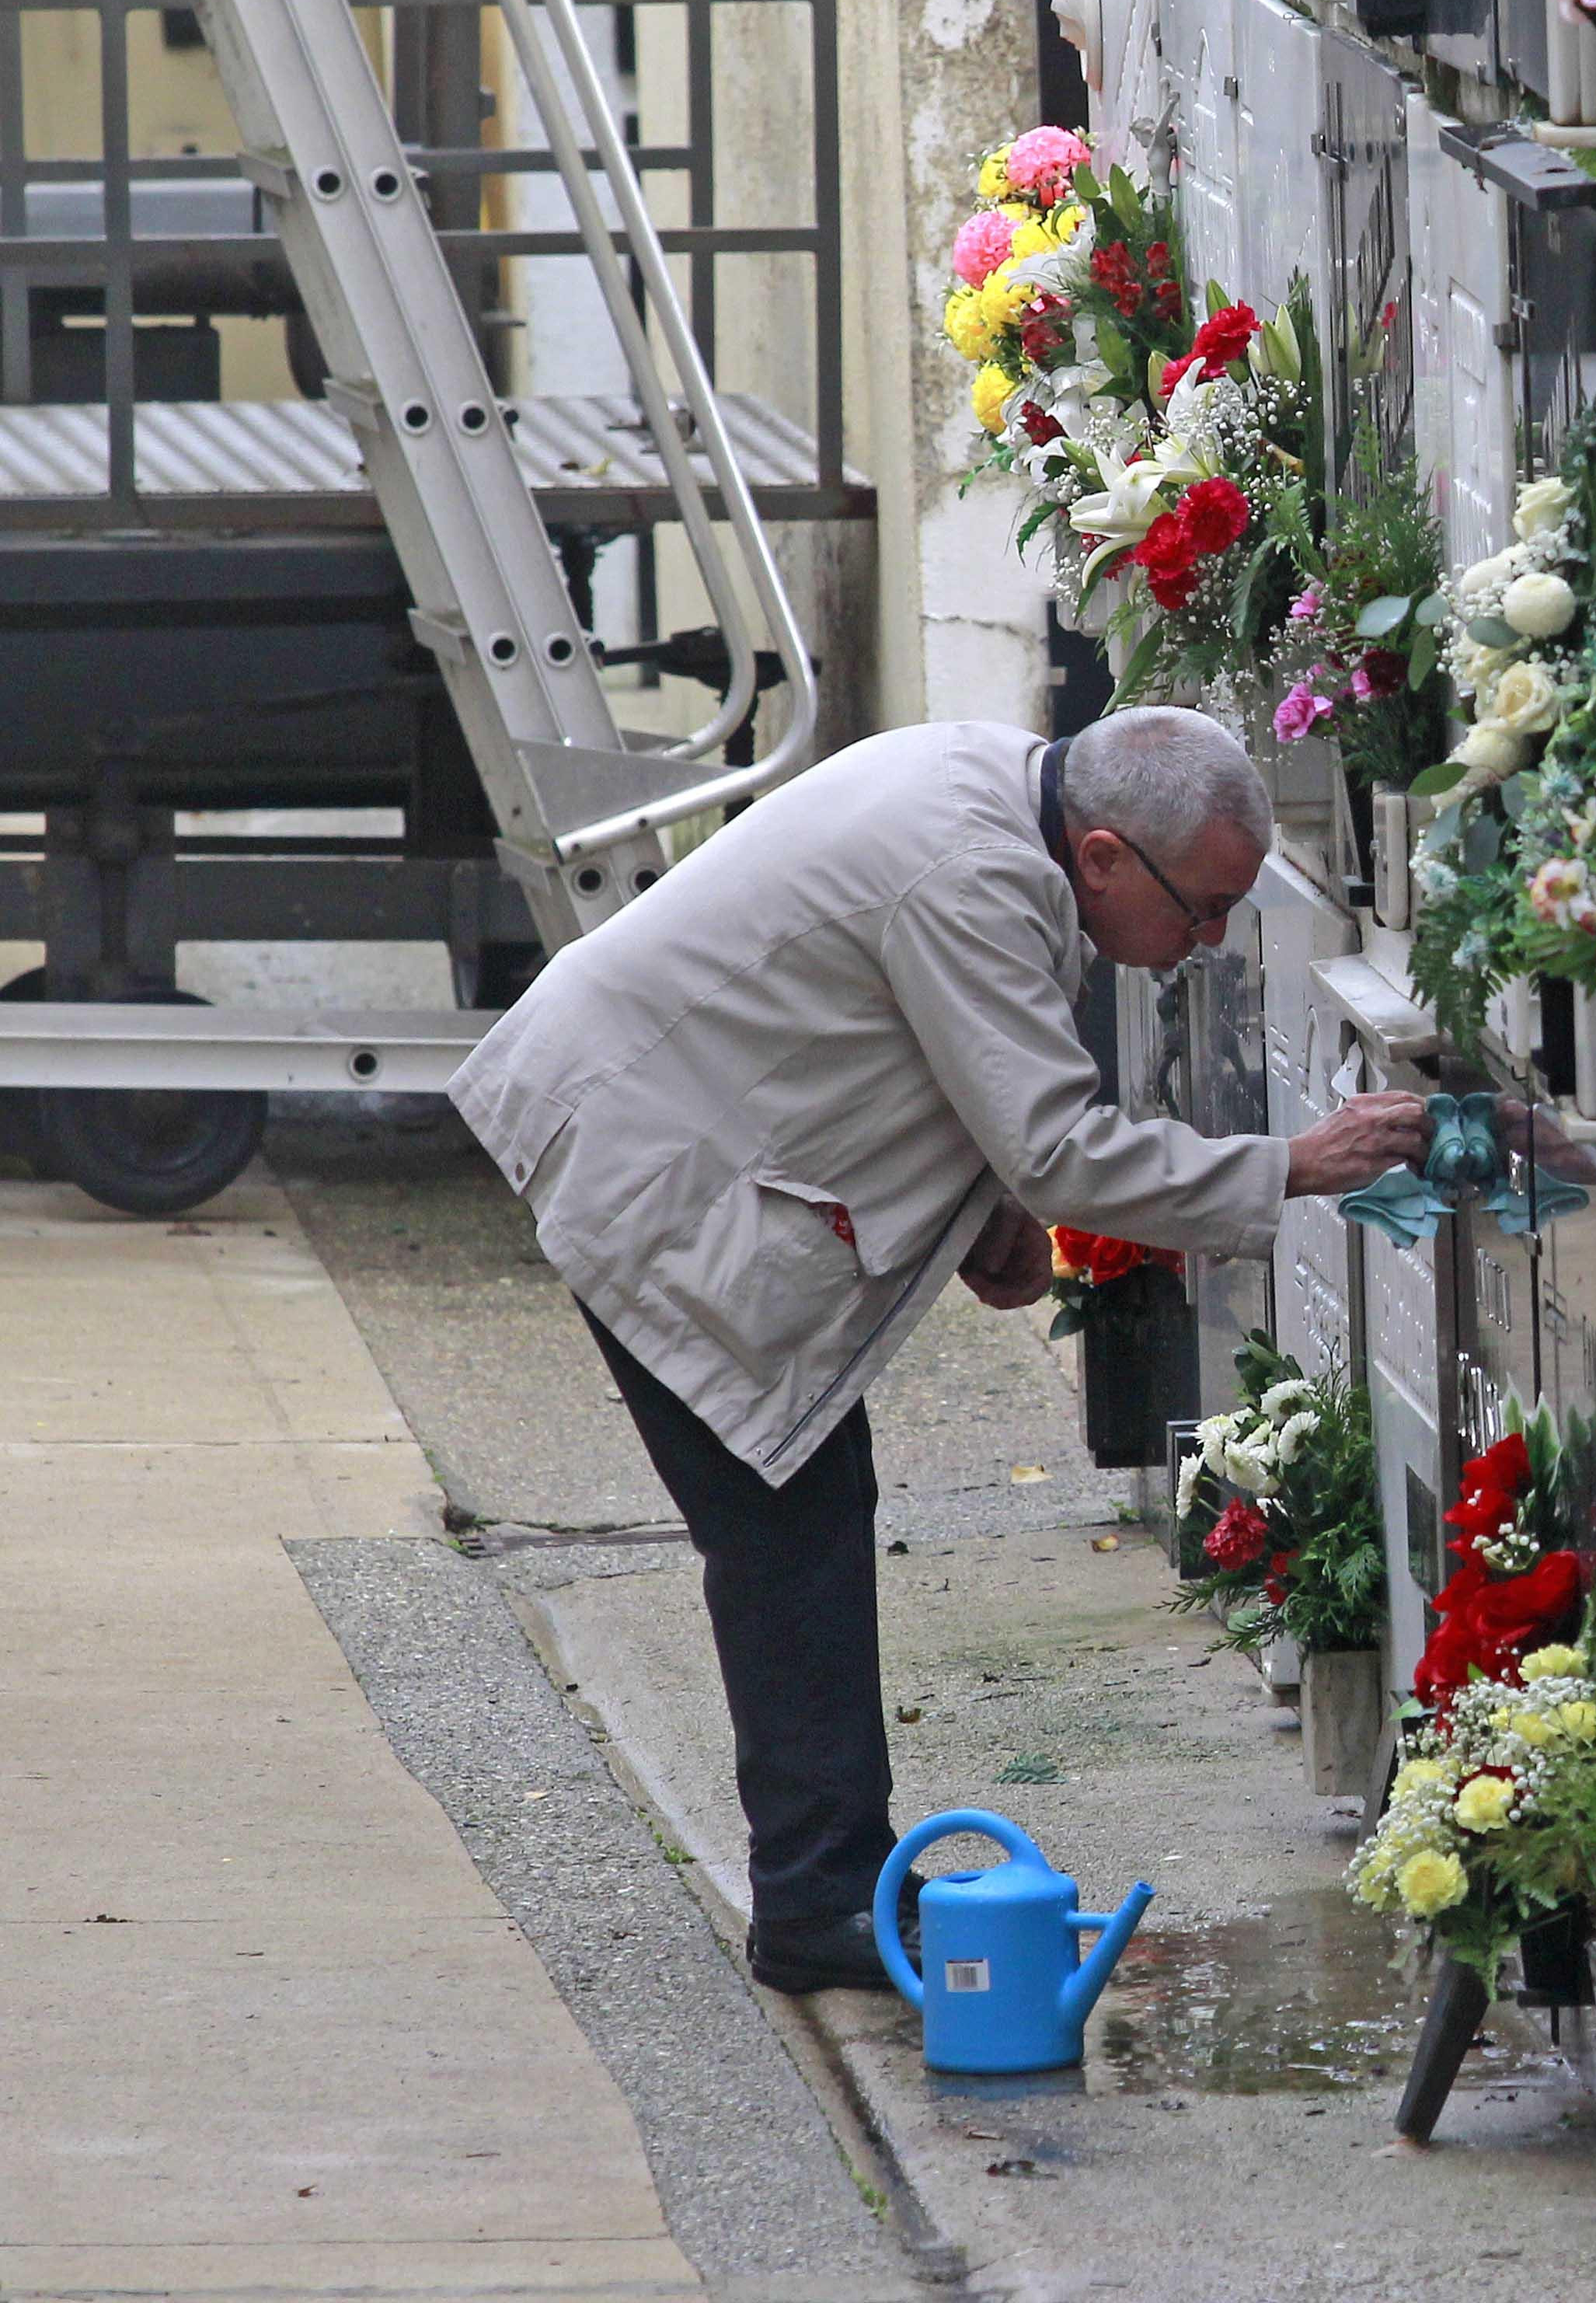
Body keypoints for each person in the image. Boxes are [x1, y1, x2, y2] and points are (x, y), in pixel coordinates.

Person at [450, 708, 1425, 1991]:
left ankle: (832, 1883)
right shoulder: (972, 872)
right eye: (1203, 911)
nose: (1208, 947)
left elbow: (944, 1050)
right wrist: (1293, 1166)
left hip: (653, 1110)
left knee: (802, 1512)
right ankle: (816, 1906)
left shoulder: (994, 789)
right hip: (648, 1150)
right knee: (786, 1529)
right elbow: (1059, 1141)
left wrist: (993, 1207)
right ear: (1105, 860)